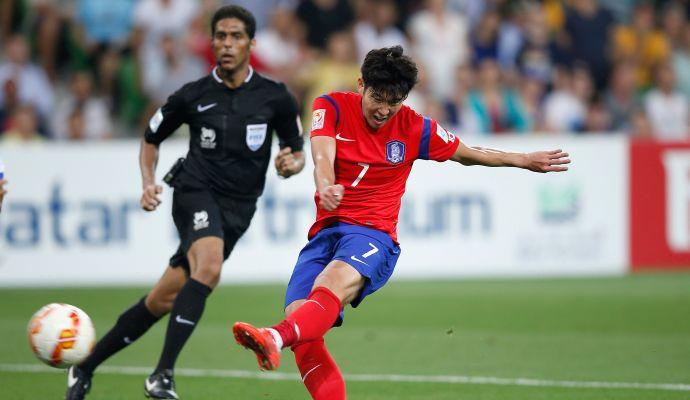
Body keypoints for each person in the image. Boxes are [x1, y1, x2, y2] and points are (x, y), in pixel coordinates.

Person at [232, 45, 570, 399]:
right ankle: (282, 337)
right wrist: (326, 186)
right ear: (361, 84)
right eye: (377, 97)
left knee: (326, 288)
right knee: (305, 333)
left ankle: (273, 336)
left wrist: (523, 159)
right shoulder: (329, 106)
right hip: (325, 234)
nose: (383, 109)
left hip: (372, 235)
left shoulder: (415, 127)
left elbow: (470, 154)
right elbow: (322, 156)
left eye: (393, 101)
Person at [65, 6, 305, 400]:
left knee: (162, 298)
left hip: (239, 210)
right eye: (221, 36)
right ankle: (161, 376)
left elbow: (296, 151)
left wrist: (289, 164)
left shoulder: (275, 97)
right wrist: (147, 182)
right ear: (211, 42)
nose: (227, 44)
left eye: (236, 37)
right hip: (194, 190)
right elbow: (150, 136)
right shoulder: (193, 95)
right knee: (208, 267)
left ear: (252, 43)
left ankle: (85, 366)